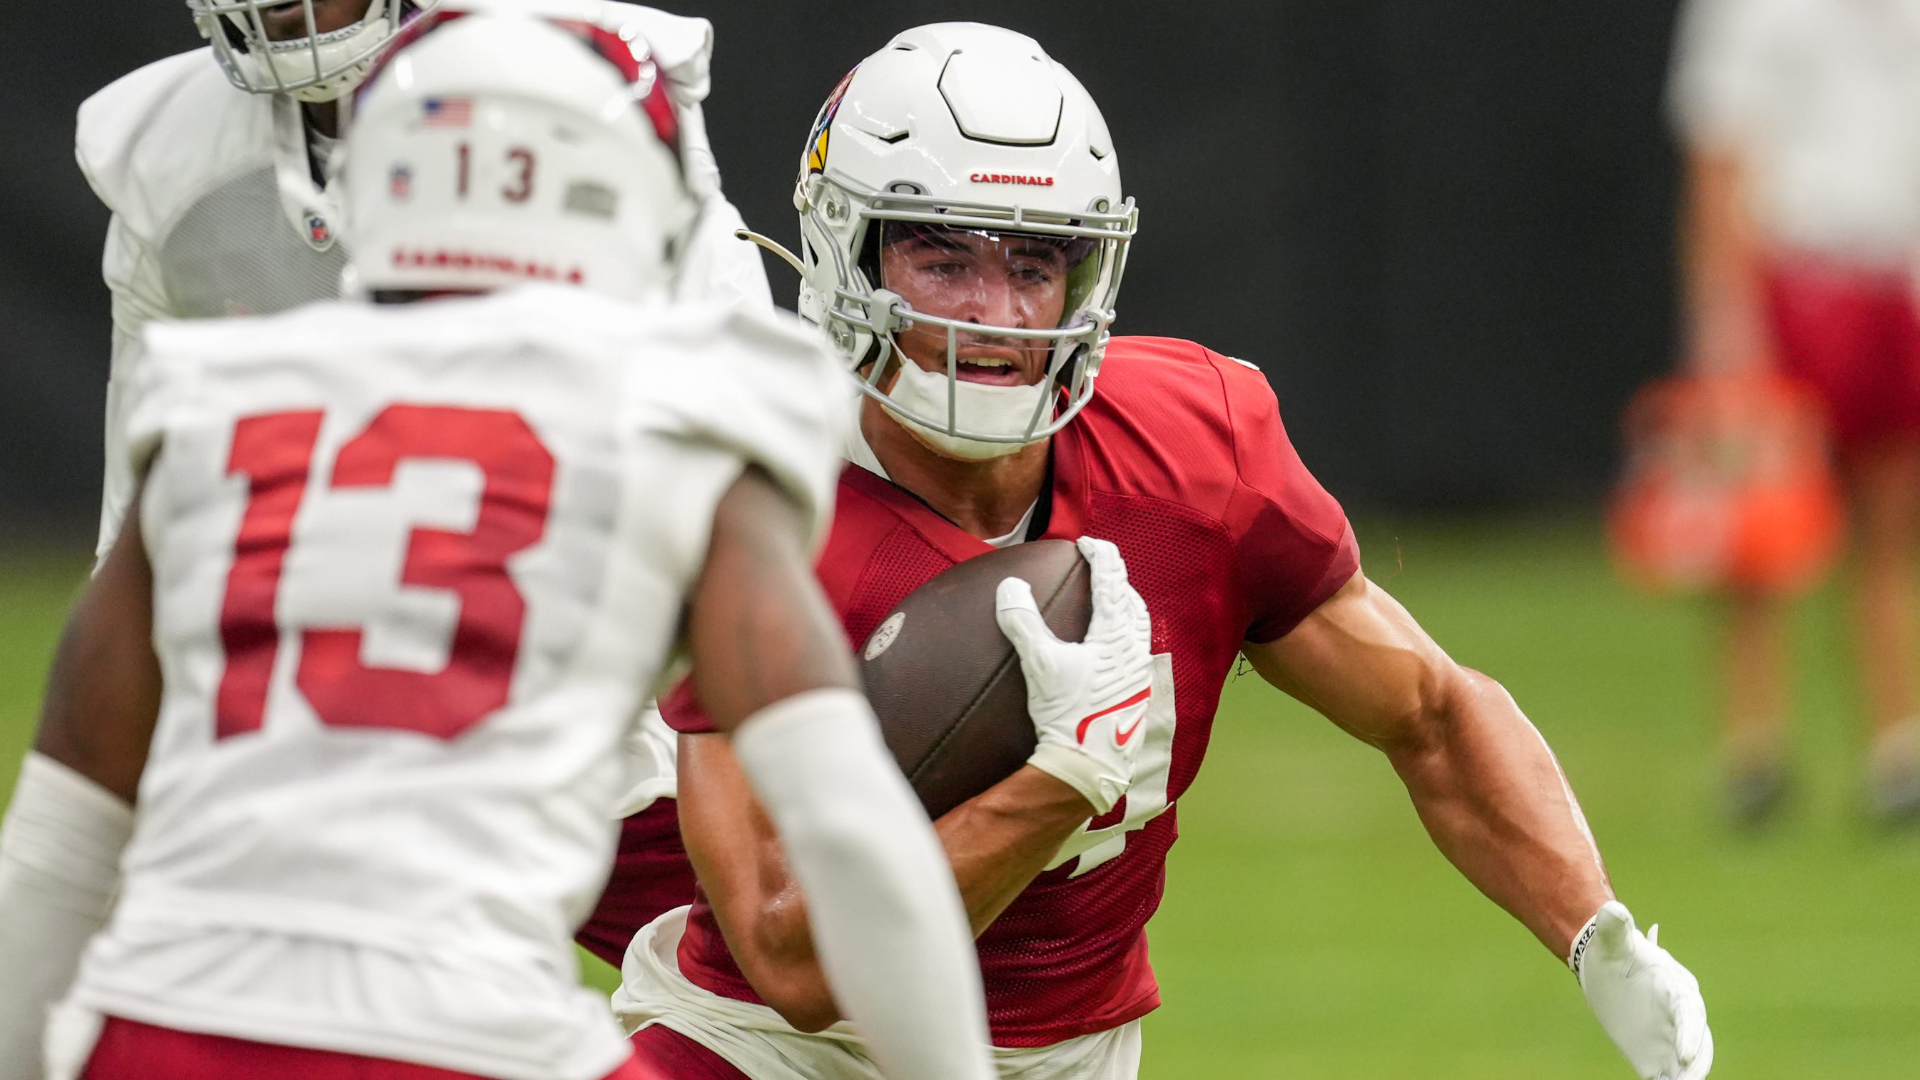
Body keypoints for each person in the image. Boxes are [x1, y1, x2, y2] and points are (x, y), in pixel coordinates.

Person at [608, 22, 1715, 1080]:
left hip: (1065, 1054)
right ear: (847, 252)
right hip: (761, 1050)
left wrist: (1595, 930)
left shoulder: (1194, 450)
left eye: (1039, 262)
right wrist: (1057, 782)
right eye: (943, 259)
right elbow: (794, 965)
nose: (999, 313)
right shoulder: (762, 499)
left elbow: (1429, 714)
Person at [0, 12, 996, 1080]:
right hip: (465, 1034)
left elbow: (59, 843)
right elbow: (849, 831)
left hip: (161, 1024)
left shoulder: (210, 406)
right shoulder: (681, 427)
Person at [75, 0, 755, 956]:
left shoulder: (580, 77)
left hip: (590, 680)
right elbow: (142, 535)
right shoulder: (168, 156)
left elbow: (730, 435)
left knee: (787, 964)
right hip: (311, 711)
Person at [1669, 0, 1920, 824]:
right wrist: (1723, 317)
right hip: (1796, 274)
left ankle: (1897, 747)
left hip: (1896, 275)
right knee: (1761, 532)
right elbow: (1719, 150)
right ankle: (1755, 749)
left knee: (1891, 519)